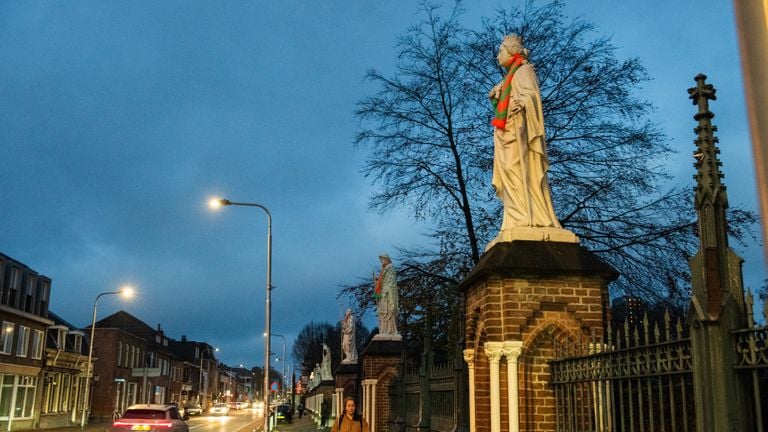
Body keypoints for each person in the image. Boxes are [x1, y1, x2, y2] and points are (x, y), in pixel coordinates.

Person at [489, 34, 561, 232]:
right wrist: (497, 98)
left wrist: (521, 103)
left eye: (500, 51)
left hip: (519, 134)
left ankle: (528, 217)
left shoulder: (523, 70)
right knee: (510, 176)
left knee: (518, 172)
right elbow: (504, 109)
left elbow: (531, 97)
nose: (497, 56)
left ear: (511, 51)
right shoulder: (509, 78)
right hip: (508, 134)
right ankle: (517, 218)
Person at [374, 254, 399, 336]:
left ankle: (390, 330)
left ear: (386, 259)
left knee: (388, 312)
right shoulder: (384, 269)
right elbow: (382, 282)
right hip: (384, 293)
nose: (381, 262)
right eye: (380, 261)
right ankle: (384, 330)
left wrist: (386, 291)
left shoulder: (390, 267)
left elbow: (391, 282)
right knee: (384, 312)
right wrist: (377, 281)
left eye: (382, 260)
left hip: (387, 294)